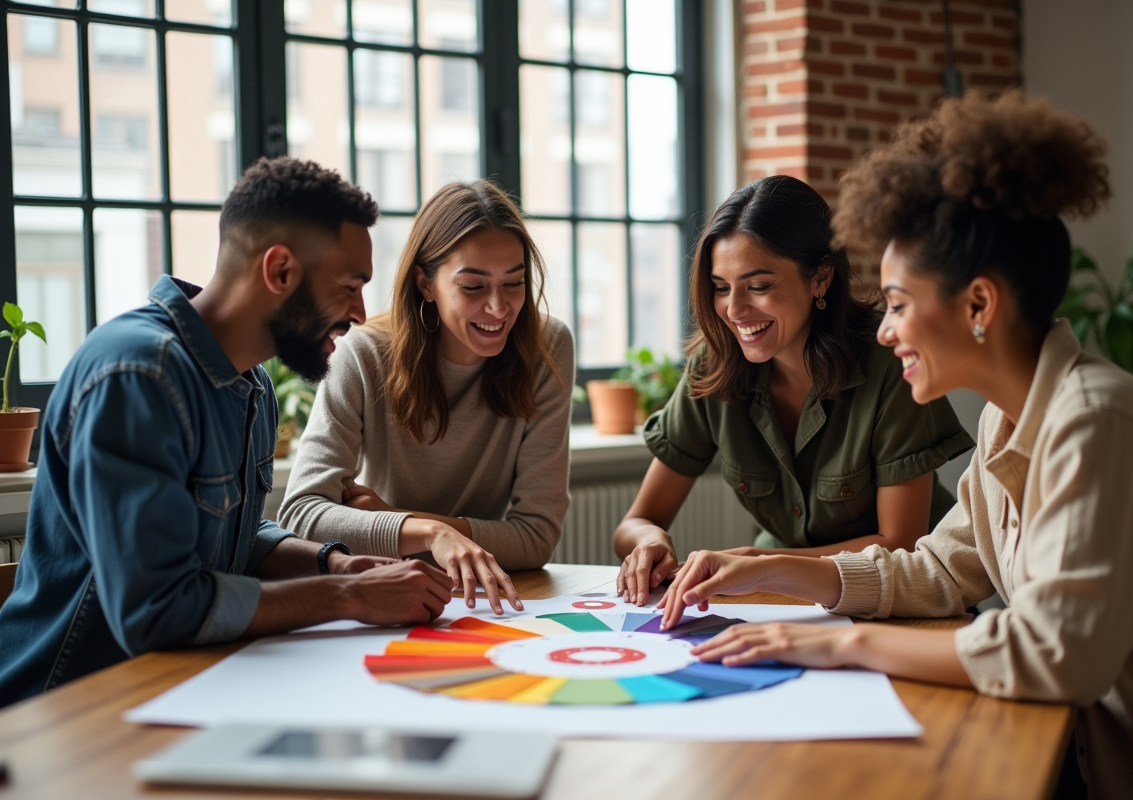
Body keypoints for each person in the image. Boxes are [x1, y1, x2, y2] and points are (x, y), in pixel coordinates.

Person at [657, 92, 1133, 799]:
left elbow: (1056, 656)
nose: (884, 331)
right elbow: (939, 569)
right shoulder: (1009, 421)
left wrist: (837, 642)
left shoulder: (1097, 422)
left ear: (978, 306)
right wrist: (773, 570)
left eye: (899, 305)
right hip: (1074, 747)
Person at [0, 157, 454, 708]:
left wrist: (332, 562)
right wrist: (348, 594)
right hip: (64, 711)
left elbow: (228, 538)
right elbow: (156, 610)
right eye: (349, 286)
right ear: (280, 271)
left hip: (179, 690)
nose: (361, 313)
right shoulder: (138, 375)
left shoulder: (252, 385)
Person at [613, 175, 974, 605]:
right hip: (780, 598)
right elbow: (635, 521)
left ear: (820, 278)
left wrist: (758, 562)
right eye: (721, 288)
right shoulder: (711, 368)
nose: (735, 310)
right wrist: (649, 541)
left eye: (759, 286)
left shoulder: (892, 361)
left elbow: (899, 545)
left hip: (905, 602)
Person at [279, 180, 574, 616]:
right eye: (473, 287)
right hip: (390, 588)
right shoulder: (364, 353)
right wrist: (431, 535)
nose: (499, 308)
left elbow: (535, 539)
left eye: (514, 283)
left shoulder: (547, 346)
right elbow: (301, 514)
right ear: (425, 283)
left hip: (486, 598)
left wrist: (398, 517)